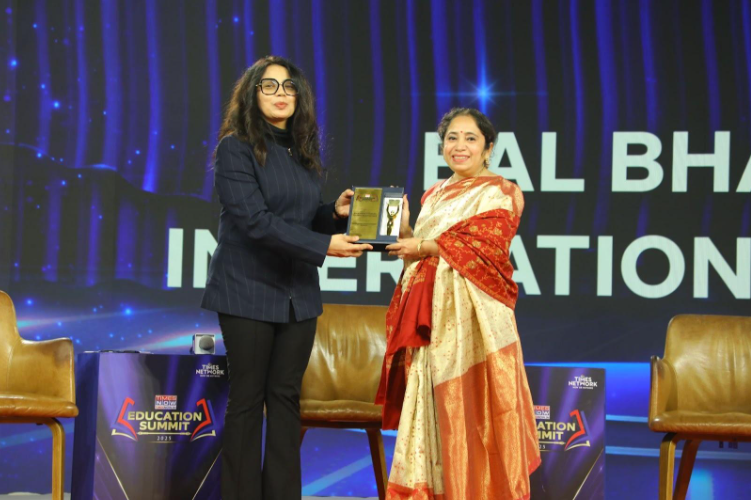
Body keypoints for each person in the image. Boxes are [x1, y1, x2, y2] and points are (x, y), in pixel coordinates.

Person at [201, 56, 371, 500]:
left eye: (289, 86)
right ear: (252, 94)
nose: (281, 94)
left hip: (298, 295)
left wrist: (333, 215)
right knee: (247, 401)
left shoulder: (302, 152)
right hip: (247, 292)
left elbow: (300, 219)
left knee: (285, 400)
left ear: (300, 97)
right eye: (270, 85)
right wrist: (325, 246)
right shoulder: (235, 148)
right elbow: (256, 223)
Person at [378, 108, 541, 499]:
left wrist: (423, 245)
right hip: (430, 318)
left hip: (475, 319)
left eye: (470, 138)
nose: (460, 146)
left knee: (474, 407)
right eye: (452, 138)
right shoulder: (434, 194)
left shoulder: (502, 192)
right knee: (432, 406)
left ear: (488, 148)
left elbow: (486, 247)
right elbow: (417, 253)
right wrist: (403, 228)